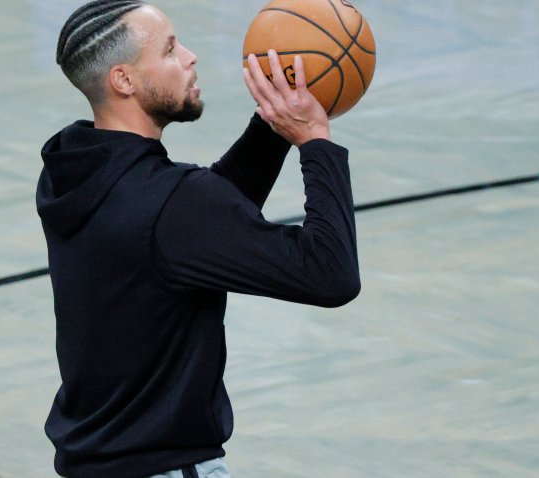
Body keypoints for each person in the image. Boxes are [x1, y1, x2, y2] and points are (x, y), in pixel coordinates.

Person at [36, 1, 360, 477]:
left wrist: (272, 127)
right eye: (169, 50)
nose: (190, 56)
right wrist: (314, 142)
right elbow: (330, 274)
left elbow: (200, 220)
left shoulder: (72, 171)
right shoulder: (173, 206)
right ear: (123, 80)